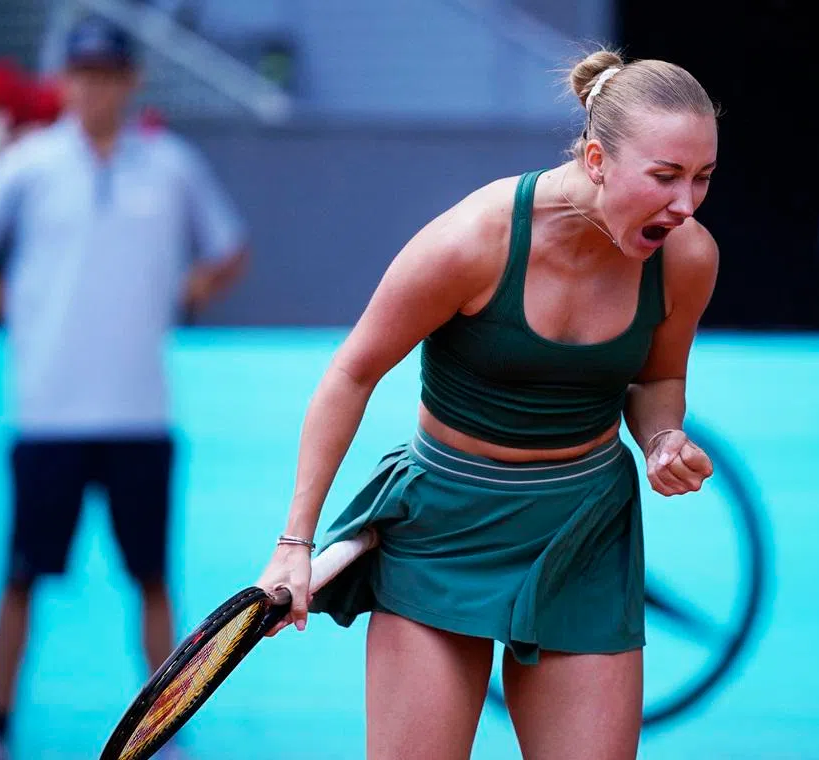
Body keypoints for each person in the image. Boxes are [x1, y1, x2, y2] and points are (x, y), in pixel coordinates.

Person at [254, 47, 720, 760]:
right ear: (596, 160)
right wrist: (294, 543)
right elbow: (352, 372)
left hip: (584, 530)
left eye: (702, 179)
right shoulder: (472, 241)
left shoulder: (687, 258)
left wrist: (661, 439)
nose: (685, 204)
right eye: (665, 177)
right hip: (444, 529)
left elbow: (655, 381)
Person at [0, 16, 248, 760]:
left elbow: (226, 247)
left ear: (131, 82)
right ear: (66, 83)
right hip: (50, 412)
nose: (95, 88)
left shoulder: (171, 166)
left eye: (108, 75)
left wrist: (184, 297)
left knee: (152, 578)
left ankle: (167, 728)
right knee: (21, 578)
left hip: (138, 412)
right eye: (82, 75)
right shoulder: (26, 167)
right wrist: (17, 308)